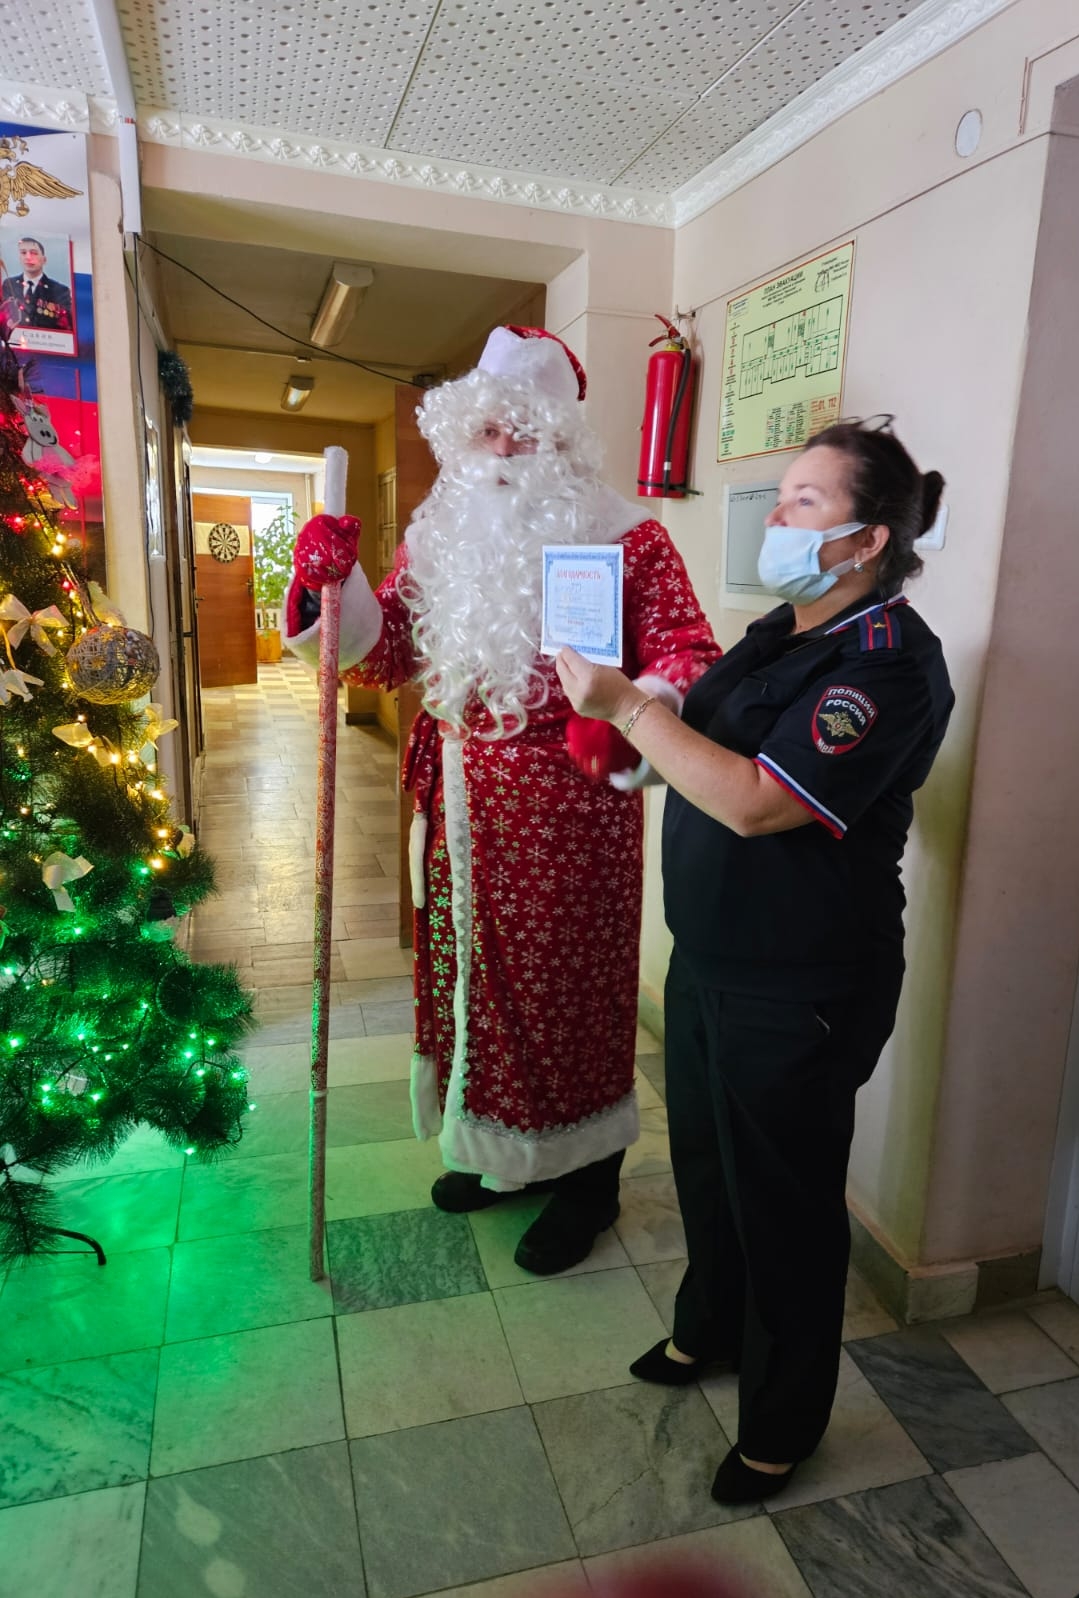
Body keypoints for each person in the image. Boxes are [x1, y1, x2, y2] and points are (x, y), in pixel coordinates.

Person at [555, 416, 953, 1503]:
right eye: (782, 496)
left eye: (803, 502)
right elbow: (706, 744)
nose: (775, 516)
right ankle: (707, 1331)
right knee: (712, 1174)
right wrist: (646, 733)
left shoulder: (885, 667)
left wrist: (630, 708)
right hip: (712, 959)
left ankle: (781, 1421)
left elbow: (752, 799)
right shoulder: (779, 629)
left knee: (782, 1203)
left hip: (803, 982)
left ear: (866, 539)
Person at [285, 325, 719, 1275]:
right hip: (456, 808)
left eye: (519, 430)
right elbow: (383, 651)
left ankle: (588, 1177)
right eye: (483, 429)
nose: (499, 450)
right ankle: (498, 1152)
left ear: (559, 436)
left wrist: (637, 714)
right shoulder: (441, 532)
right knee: (468, 982)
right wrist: (333, 580)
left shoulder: (624, 536)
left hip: (570, 811)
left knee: (563, 993)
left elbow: (691, 651)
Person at [0, 239, 73, 333]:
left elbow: (66, 327)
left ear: (44, 260)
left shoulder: (60, 290)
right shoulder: (9, 284)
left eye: (34, 253)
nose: (28, 257)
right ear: (20, 258)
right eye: (23, 253)